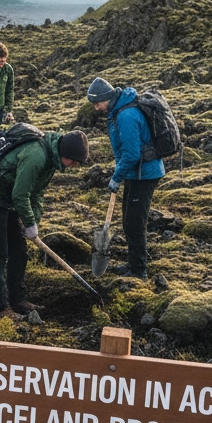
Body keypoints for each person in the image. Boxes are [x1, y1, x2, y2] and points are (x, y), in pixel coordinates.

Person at [0, 129, 90, 320]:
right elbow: (21, 194)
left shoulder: (52, 159)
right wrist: (28, 222)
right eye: (74, 161)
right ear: (65, 153)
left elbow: (35, 192)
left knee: (19, 252)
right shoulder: (36, 157)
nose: (74, 165)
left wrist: (34, 221)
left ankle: (18, 299)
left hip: (9, 200)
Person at [87, 78, 164, 280]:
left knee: (135, 222)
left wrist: (116, 177)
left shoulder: (126, 116)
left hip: (145, 174)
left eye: (97, 103)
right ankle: (132, 264)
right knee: (129, 220)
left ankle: (139, 271)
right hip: (135, 172)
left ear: (106, 98)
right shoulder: (118, 111)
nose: (96, 108)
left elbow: (131, 153)